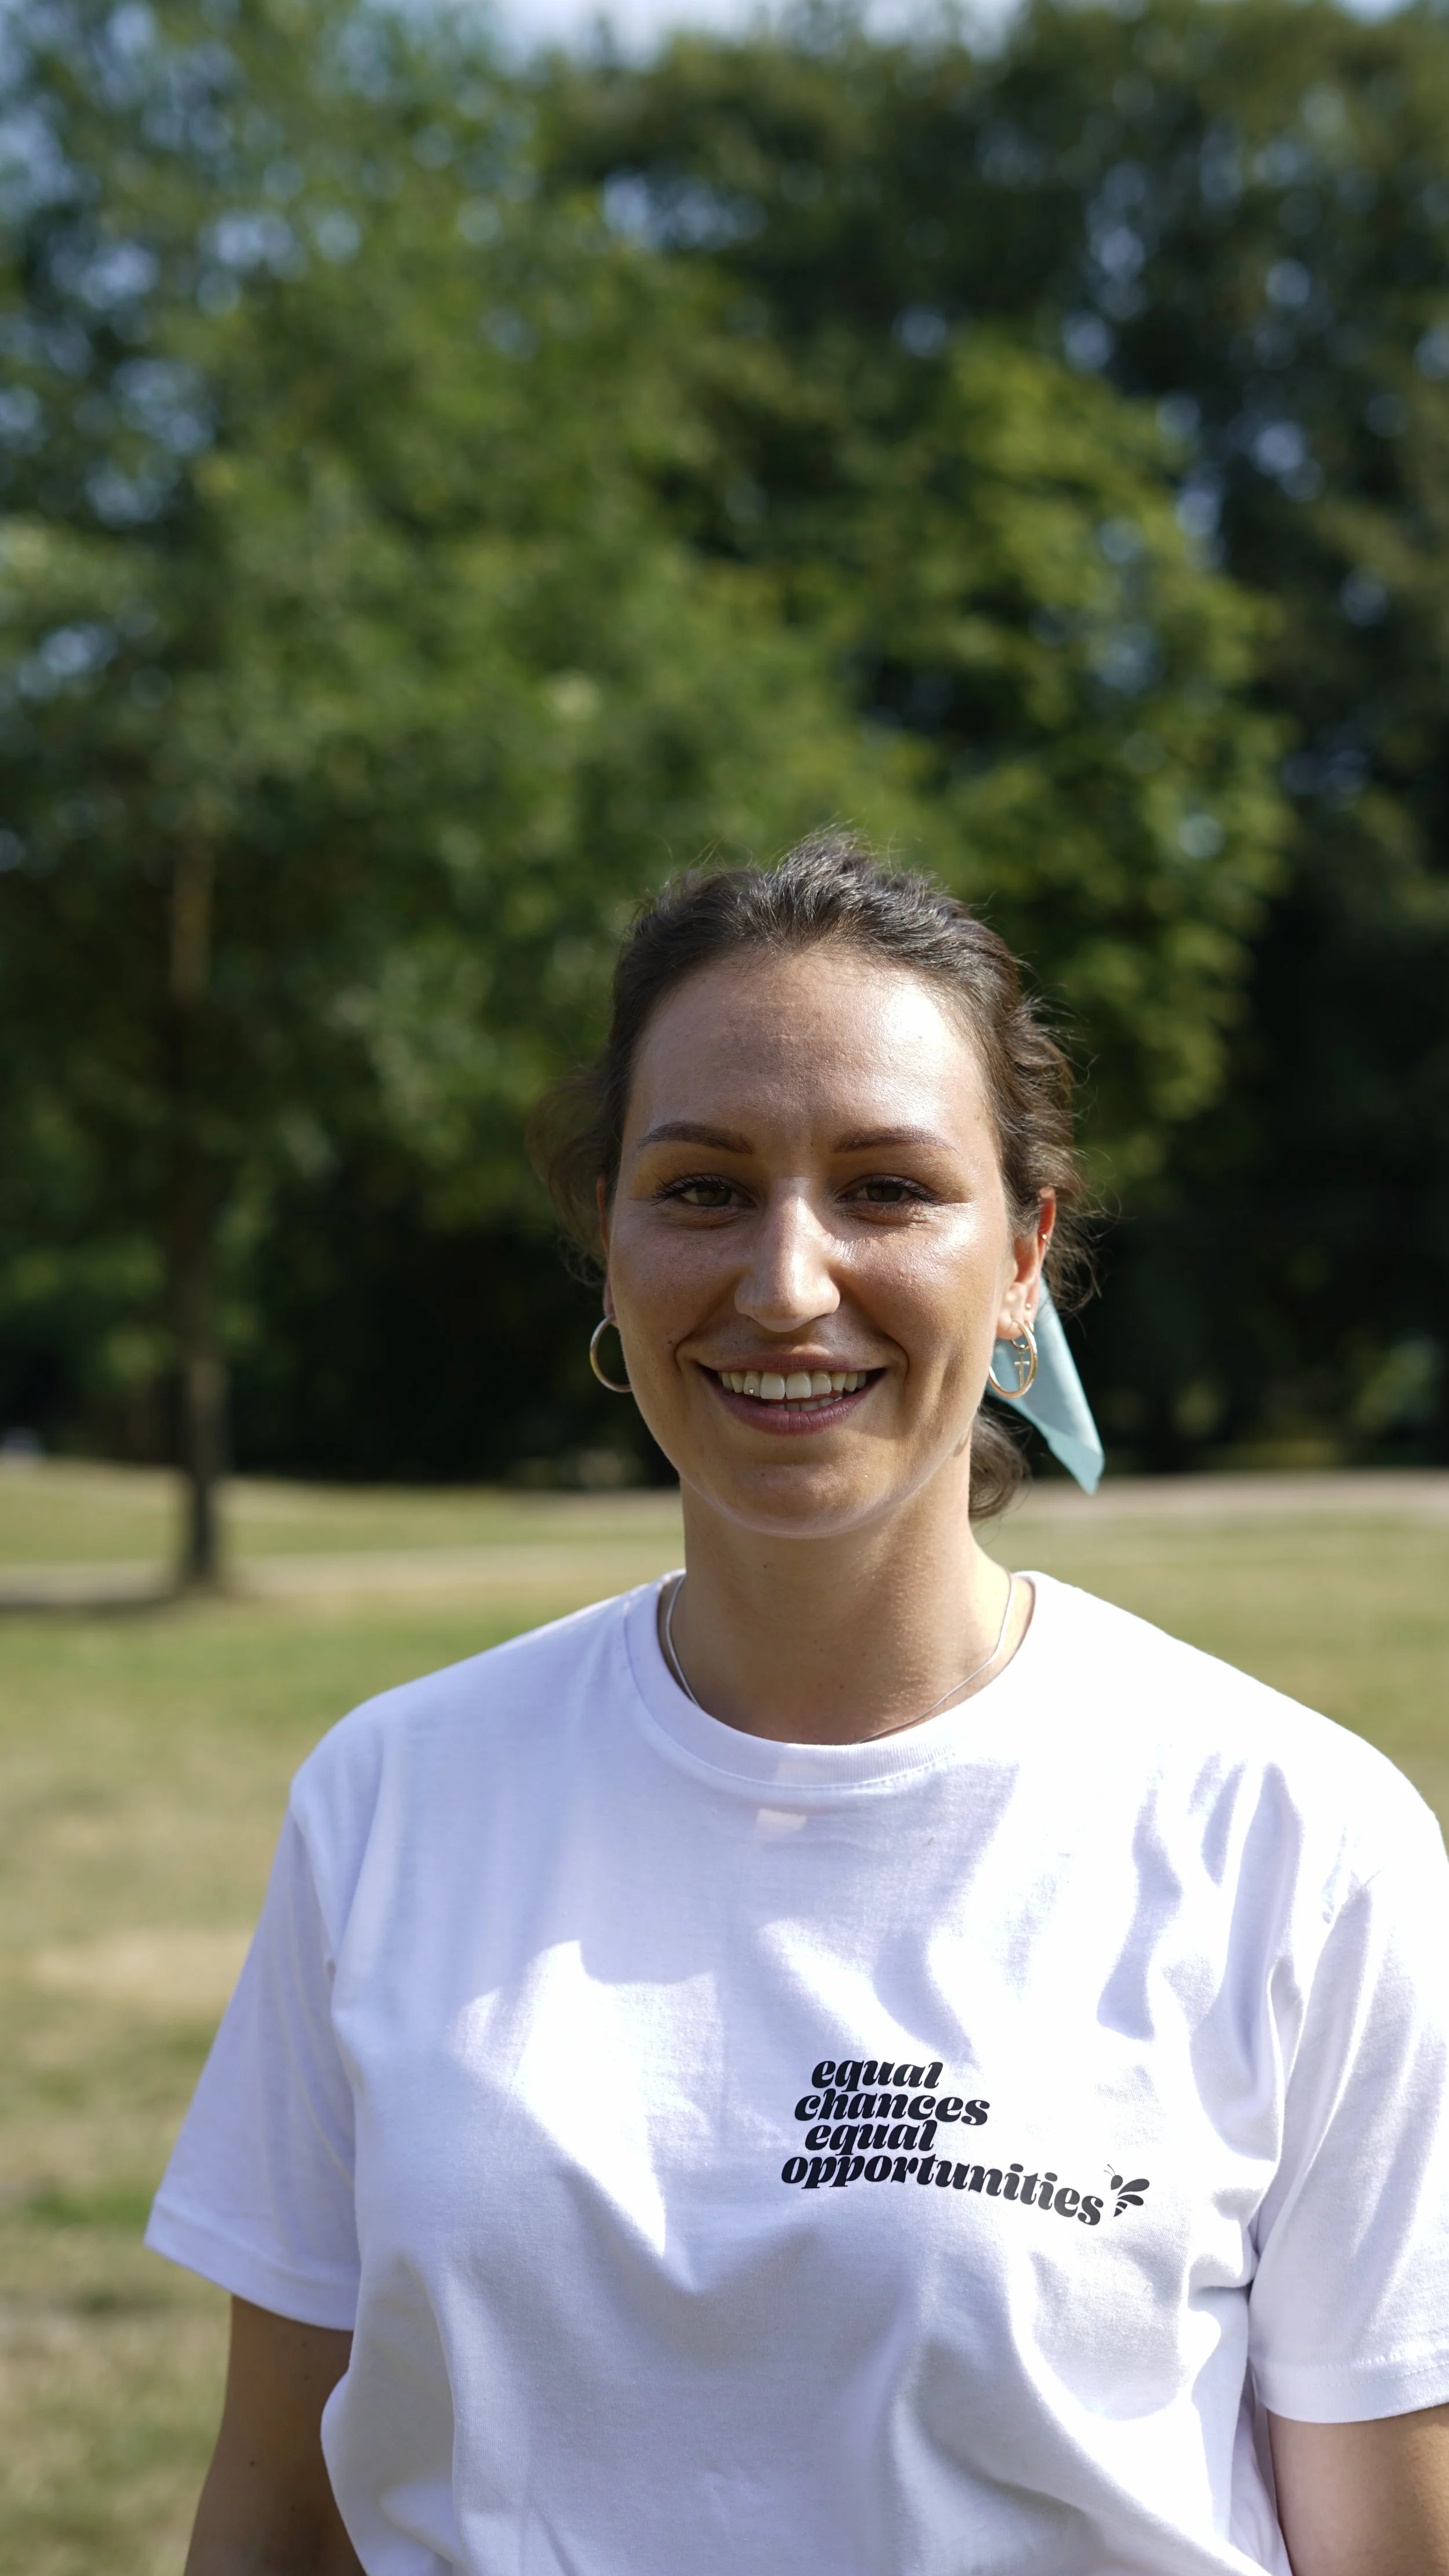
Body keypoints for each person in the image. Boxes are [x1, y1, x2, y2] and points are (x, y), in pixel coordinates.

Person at [148, 836, 1449, 2576]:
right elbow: (282, 2514)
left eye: (887, 1187)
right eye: (700, 1188)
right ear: (606, 1237)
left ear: (1023, 1255)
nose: (784, 1283)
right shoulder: (394, 1795)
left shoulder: (1295, 1836)